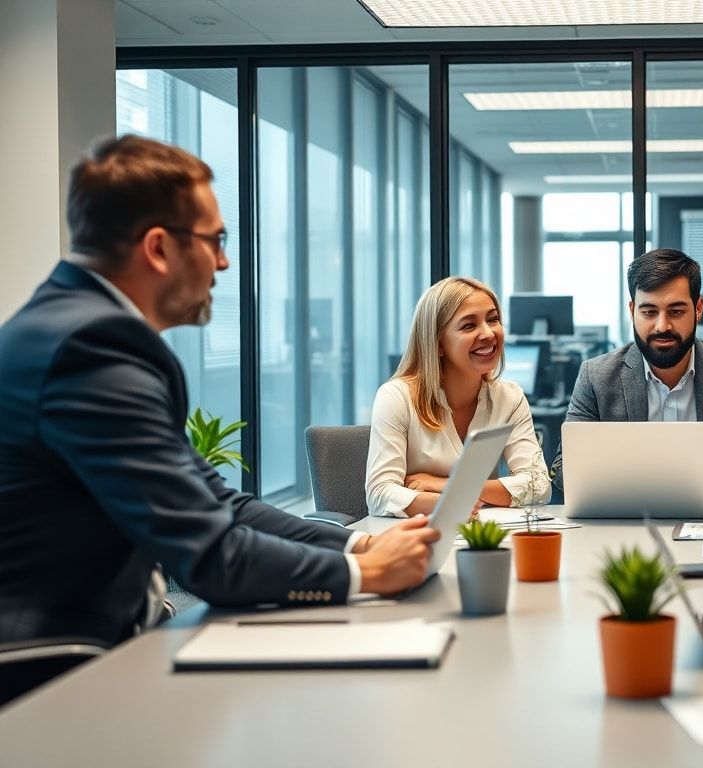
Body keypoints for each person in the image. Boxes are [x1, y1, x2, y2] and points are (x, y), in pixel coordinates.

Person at [0, 135, 438, 648]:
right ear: (159, 248)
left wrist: (359, 545)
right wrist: (368, 575)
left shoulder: (72, 328)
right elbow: (210, 557)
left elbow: (218, 502)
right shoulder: (93, 349)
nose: (224, 262)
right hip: (55, 664)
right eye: (216, 240)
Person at [552, 248, 703, 505]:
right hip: (625, 516)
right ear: (632, 311)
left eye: (676, 312)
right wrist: (626, 487)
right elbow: (564, 467)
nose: (662, 326)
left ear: (698, 309)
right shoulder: (596, 376)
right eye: (649, 312)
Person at [366, 277, 551, 517]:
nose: (488, 333)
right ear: (438, 343)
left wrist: (446, 486)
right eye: (468, 326)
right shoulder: (397, 397)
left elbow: (538, 485)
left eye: (493, 319)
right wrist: (452, 504)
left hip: (482, 533)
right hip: (418, 533)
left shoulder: (510, 398)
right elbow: (379, 494)